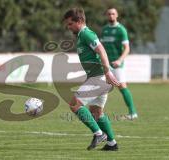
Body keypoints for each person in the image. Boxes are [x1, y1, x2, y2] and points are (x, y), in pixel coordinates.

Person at [63, 8, 120, 151]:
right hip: (97, 77)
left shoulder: (87, 34)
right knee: (96, 112)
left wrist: (107, 72)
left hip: (99, 77)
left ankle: (99, 134)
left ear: (80, 21)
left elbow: (101, 50)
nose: (68, 27)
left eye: (70, 24)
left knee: (74, 104)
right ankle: (112, 144)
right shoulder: (82, 35)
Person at [100, 7, 138, 120]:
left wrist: (120, 60)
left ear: (117, 15)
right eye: (109, 14)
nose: (111, 16)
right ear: (107, 16)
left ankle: (133, 113)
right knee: (101, 87)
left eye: (113, 14)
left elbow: (127, 48)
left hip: (117, 64)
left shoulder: (121, 30)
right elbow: (101, 48)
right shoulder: (104, 29)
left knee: (122, 87)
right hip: (106, 64)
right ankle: (98, 112)